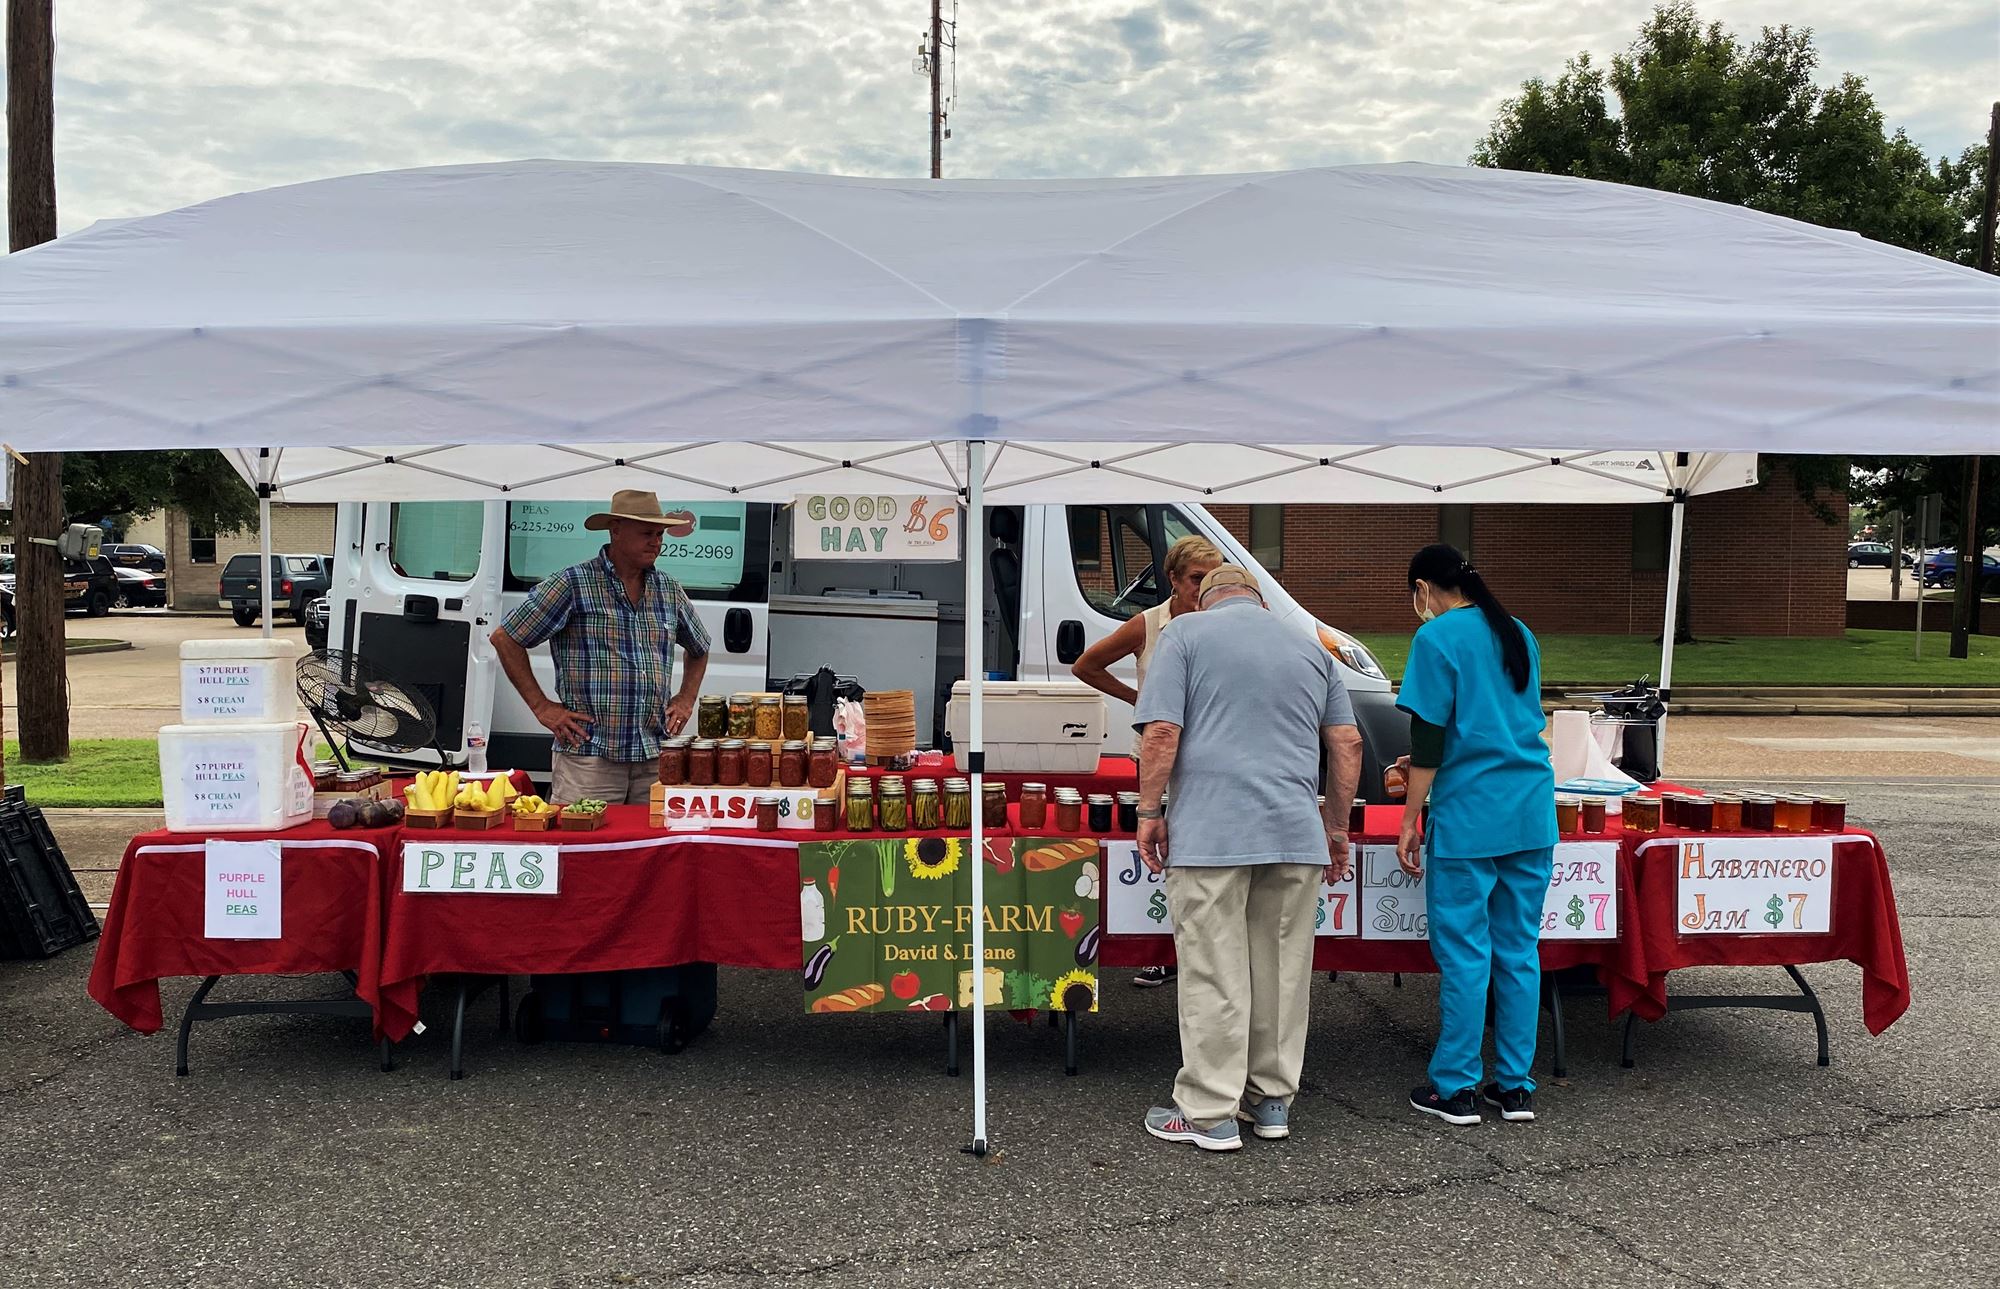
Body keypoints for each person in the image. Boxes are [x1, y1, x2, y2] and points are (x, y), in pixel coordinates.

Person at [1133, 565, 1363, 1152]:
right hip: (1294, 833)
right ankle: (1273, 1101)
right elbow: (1348, 743)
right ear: (1257, 601)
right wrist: (1335, 826)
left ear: (1206, 599)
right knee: (1283, 968)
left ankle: (1209, 1109)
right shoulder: (1311, 647)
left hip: (1211, 832)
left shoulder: (1184, 635)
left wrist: (1149, 810)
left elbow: (1161, 731)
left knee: (1214, 965)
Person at [1395, 544, 1556, 1127]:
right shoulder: (1518, 631)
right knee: (1519, 949)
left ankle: (1455, 1086)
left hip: (1470, 814)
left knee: (1465, 953)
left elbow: (1431, 738)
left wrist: (1411, 816)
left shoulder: (1436, 639)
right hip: (1531, 810)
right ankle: (1514, 1086)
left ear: (1423, 588)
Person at [490, 490, 711, 806]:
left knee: (645, 851)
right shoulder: (573, 584)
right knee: (582, 848)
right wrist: (542, 707)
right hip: (590, 758)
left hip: (653, 755)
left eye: (660, 534)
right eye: (647, 533)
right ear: (616, 530)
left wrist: (686, 699)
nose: (656, 542)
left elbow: (700, 647)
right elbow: (505, 637)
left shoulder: (668, 589)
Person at [1071, 533, 1223, 990]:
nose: (1205, 586)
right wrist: (1142, 702)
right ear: (1173, 580)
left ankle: (1203, 952)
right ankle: (1164, 954)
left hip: (1212, 756)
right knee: (1162, 854)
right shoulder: (1149, 624)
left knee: (1207, 859)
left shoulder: (1224, 620)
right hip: (1158, 757)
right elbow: (1085, 666)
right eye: (1198, 577)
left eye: (1212, 576)